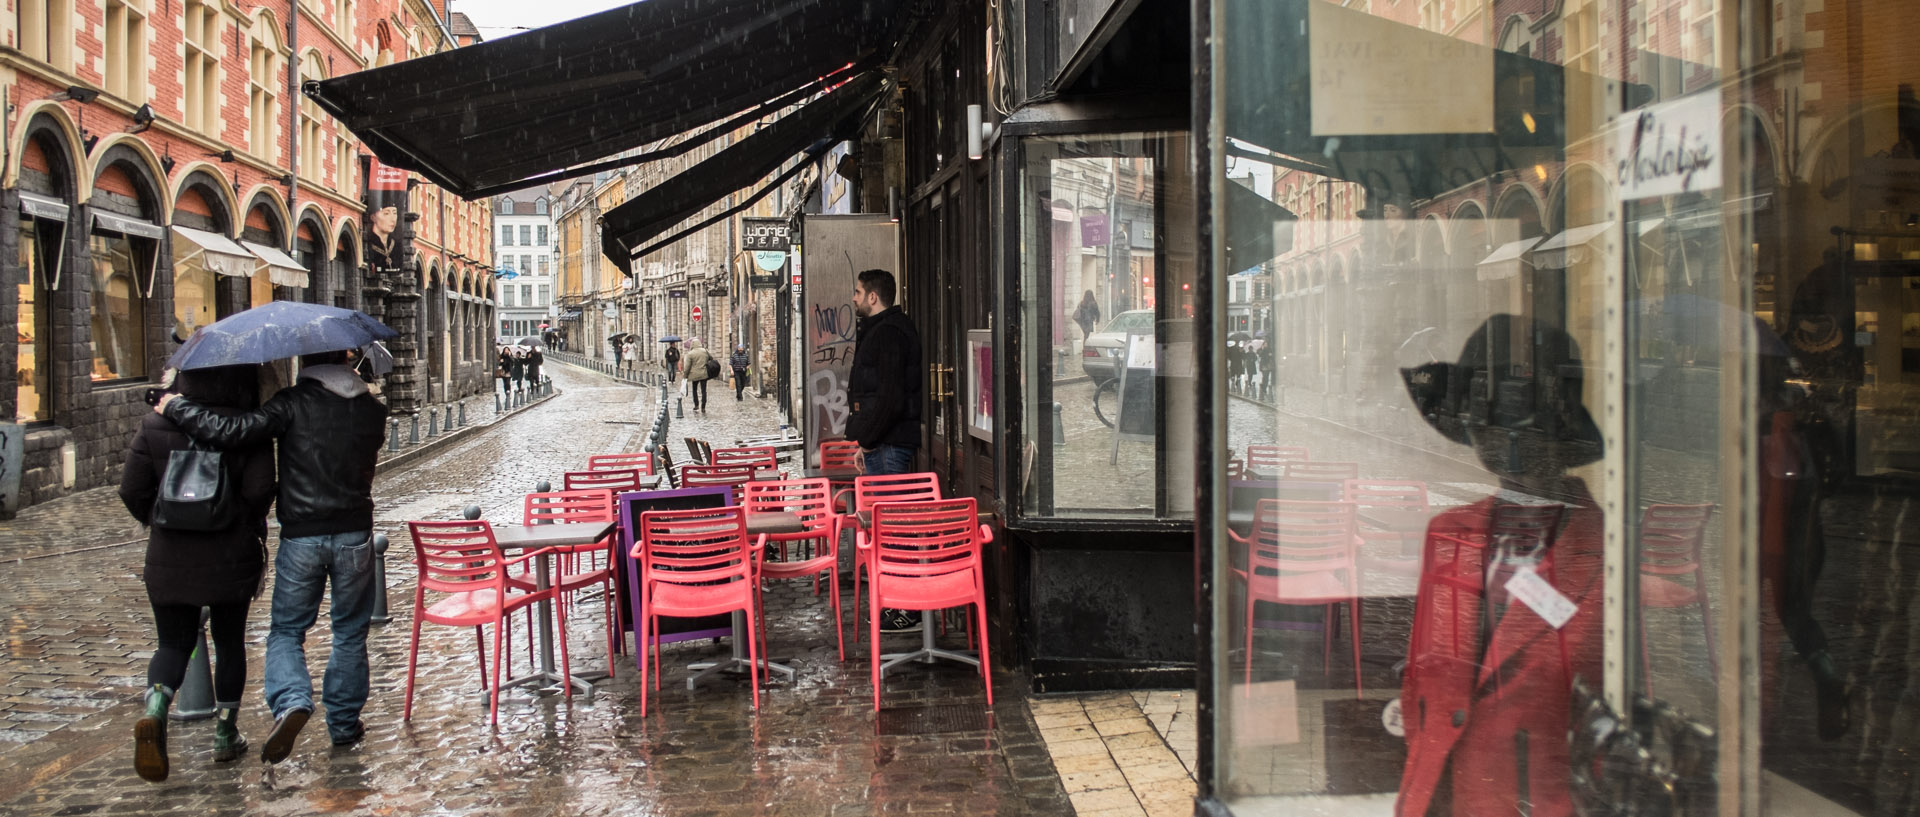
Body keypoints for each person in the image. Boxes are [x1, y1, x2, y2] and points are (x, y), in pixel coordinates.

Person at [1395, 315, 1605, 817]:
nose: (1500, 443)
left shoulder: (1605, 546)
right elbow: (1421, 675)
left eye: (1514, 423)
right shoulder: (1448, 534)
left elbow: (1612, 698)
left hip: (1543, 799)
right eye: (1487, 423)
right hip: (1439, 791)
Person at [156, 348, 388, 762]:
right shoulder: (372, 410)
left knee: (286, 631)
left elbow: (231, 430)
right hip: (355, 533)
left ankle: (292, 700)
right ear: (346, 358)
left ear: (308, 363)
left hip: (302, 535)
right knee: (350, 633)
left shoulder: (292, 403)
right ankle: (344, 725)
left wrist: (175, 407)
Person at [119, 366, 277, 781]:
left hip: (170, 555)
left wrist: (163, 519)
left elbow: (131, 489)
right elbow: (261, 490)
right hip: (231, 554)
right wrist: (238, 520)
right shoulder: (247, 429)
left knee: (172, 643)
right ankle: (225, 732)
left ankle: (156, 707)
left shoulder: (155, 424)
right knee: (229, 643)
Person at [844, 268, 924, 633]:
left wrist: (869, 440)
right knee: (888, 526)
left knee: (894, 527)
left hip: (890, 444)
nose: (855, 298)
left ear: (874, 297)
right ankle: (899, 603)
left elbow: (889, 398)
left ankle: (909, 606)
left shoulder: (889, 333)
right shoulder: (884, 330)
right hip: (883, 442)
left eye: (859, 292)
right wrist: (865, 442)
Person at [683, 338, 714, 412]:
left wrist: (685, 376)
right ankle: (703, 406)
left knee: (694, 390)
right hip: (704, 373)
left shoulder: (690, 353)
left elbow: (687, 366)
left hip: (694, 374)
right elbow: (711, 358)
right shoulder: (705, 351)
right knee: (704, 390)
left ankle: (696, 404)